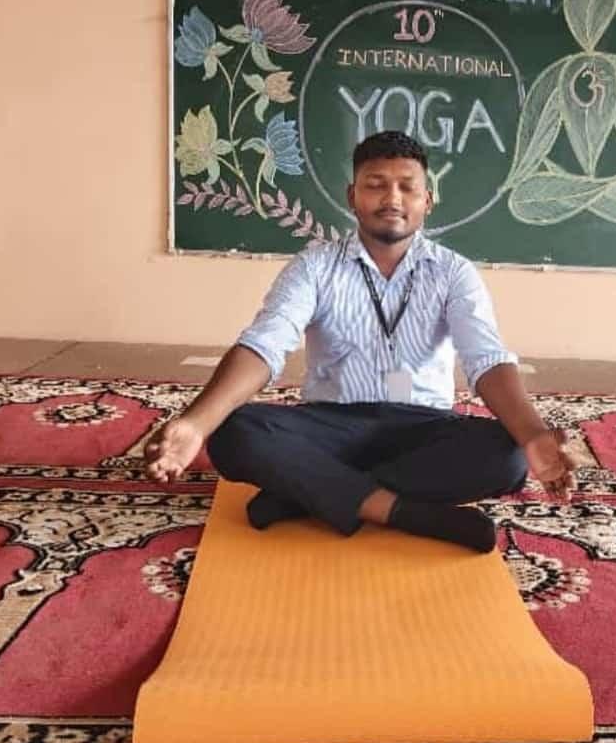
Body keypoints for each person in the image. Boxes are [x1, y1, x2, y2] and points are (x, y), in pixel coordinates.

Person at [146, 131, 576, 552]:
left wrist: (533, 435)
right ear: (352, 196)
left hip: (423, 428)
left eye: (407, 187)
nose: (392, 198)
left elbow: (486, 359)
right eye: (375, 185)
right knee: (234, 432)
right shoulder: (314, 266)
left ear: (428, 200)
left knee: (508, 454)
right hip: (331, 424)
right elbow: (264, 344)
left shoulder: (454, 273)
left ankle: (306, 494)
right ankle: (404, 512)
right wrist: (196, 423)